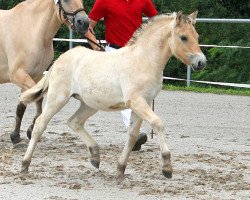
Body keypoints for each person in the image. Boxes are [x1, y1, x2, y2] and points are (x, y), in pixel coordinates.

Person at [85, 0, 158, 151]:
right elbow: (88, 26)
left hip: (138, 53)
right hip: (115, 53)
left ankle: (134, 132)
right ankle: (134, 134)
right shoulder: (103, 1)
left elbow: (156, 22)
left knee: (142, 92)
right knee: (127, 93)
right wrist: (96, 47)